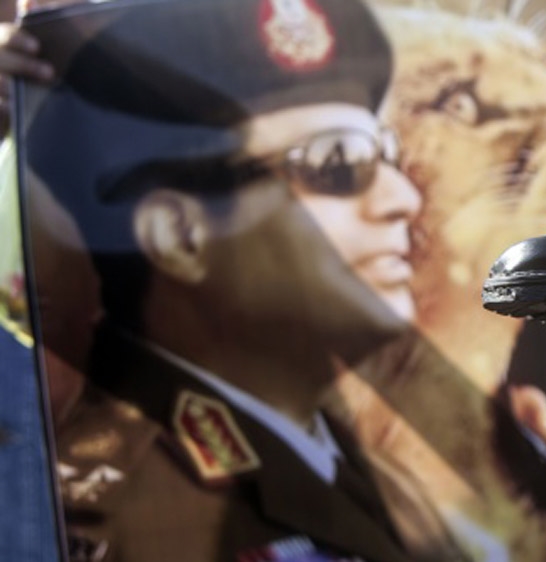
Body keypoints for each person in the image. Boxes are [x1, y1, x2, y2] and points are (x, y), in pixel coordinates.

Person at [17, 0, 425, 560]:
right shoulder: (136, 514)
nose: (405, 198)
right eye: (340, 161)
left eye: (389, 154)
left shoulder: (342, 452)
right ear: (180, 237)